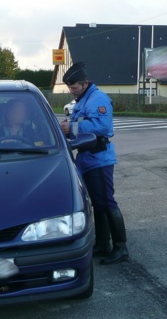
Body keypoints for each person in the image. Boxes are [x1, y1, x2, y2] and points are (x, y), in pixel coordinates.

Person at [60, 61, 129, 265]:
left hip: (99, 158)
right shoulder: (85, 98)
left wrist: (71, 127)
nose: (72, 91)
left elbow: (102, 126)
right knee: (97, 204)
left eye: (74, 87)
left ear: (85, 83)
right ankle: (102, 243)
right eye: (70, 88)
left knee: (107, 203)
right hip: (88, 157)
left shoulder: (97, 98)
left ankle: (120, 247)